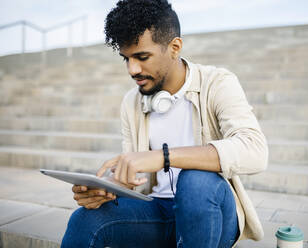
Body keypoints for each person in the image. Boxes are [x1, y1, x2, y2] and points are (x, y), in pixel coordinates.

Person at [61, 0, 268, 247]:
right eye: (125, 58)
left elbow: (255, 150)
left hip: (211, 210)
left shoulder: (218, 83)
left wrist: (163, 156)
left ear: (175, 47)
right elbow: (134, 176)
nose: (132, 69)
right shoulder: (131, 102)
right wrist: (106, 188)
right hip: (157, 210)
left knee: (195, 180)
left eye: (142, 57)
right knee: (84, 220)